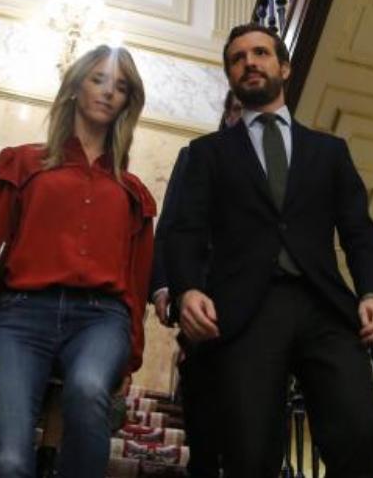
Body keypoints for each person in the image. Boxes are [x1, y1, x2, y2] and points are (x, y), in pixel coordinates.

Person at [166, 24, 373, 477]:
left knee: (362, 435)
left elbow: (360, 231)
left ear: (283, 67)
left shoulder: (329, 152)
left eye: (261, 53)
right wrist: (187, 289)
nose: (249, 62)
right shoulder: (206, 153)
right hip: (244, 312)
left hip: (324, 308)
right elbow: (184, 230)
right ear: (230, 75)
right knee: (250, 453)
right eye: (238, 58)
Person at [0, 45, 156, 478]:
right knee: (9, 461)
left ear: (127, 103)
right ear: (76, 86)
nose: (107, 92)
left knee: (87, 387)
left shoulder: (133, 192)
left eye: (119, 87)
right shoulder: (23, 162)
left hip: (101, 320)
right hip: (22, 315)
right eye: (98, 79)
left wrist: (130, 356)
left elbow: (135, 281)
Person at [148, 90, 241, 478]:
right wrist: (162, 285)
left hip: (256, 312)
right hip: (204, 300)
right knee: (204, 411)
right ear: (226, 115)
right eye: (237, 110)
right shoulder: (197, 156)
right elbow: (170, 224)